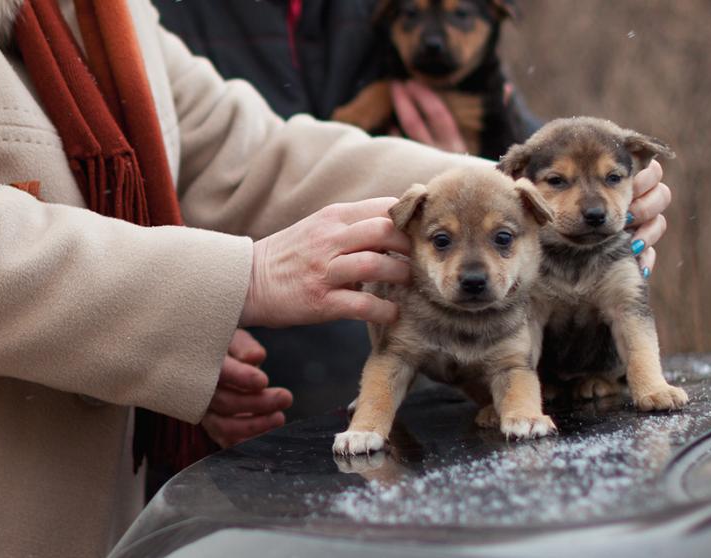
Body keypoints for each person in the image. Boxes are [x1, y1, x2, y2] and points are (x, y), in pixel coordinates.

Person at [0, 1, 670, 557]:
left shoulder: (107, 12)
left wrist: (532, 201)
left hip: (118, 516)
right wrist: (242, 277)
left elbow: (251, 155)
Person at [153, 0, 666, 421]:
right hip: (246, 360)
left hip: (436, 359)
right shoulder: (151, 17)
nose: (435, 36)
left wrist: (532, 193)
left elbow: (262, 154)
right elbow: (197, 163)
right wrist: (197, 307)